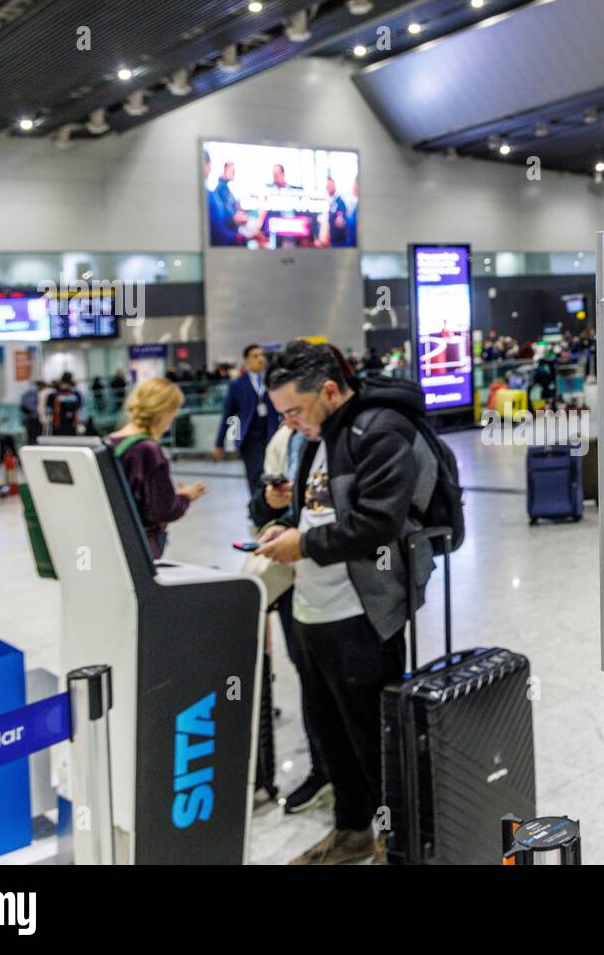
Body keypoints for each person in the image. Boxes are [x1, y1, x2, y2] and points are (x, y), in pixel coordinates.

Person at [256, 341, 438, 865]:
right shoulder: (314, 437)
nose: (290, 423)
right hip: (311, 610)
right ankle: (352, 829)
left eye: (295, 410)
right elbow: (312, 508)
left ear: (330, 391)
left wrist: (304, 544)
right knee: (330, 732)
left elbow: (378, 525)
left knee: (373, 739)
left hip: (362, 615)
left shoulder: (379, 430)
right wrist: (284, 528)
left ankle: (392, 841)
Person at [248, 421, 334, 815]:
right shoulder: (285, 440)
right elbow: (259, 509)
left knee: (345, 681)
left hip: (340, 581)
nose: (289, 418)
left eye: (295, 408)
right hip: (292, 579)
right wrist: (272, 502)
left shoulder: (349, 435)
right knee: (309, 672)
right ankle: (324, 768)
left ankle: (362, 780)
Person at [106, 378, 207, 559]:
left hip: (112, 543)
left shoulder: (108, 443)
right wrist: (186, 497)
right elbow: (162, 509)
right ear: (164, 412)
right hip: (140, 547)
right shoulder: (148, 450)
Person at [213, 344, 281, 491]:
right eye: (255, 356)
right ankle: (258, 511)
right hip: (249, 438)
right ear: (246, 360)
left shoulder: (272, 381)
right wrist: (219, 443)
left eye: (262, 355)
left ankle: (274, 509)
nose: (260, 359)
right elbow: (228, 414)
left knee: (274, 473)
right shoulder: (237, 384)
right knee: (256, 475)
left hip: (272, 435)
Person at [45, 372, 84, 436]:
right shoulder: (75, 394)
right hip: (69, 423)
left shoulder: (53, 395)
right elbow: (79, 406)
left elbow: (49, 407)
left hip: (59, 423)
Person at [20, 380, 46, 446]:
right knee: (33, 436)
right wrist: (38, 411)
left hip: (30, 416)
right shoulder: (33, 391)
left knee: (31, 436)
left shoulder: (30, 390)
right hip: (32, 417)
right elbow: (29, 404)